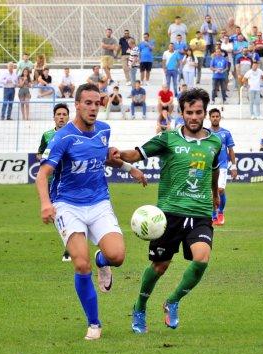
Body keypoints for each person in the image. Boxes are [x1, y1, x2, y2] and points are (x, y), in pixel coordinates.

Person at [35, 83, 146, 340]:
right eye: (88, 103)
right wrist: (45, 203)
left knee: (117, 256)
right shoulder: (63, 137)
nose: (93, 108)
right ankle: (94, 324)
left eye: (97, 103)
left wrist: (131, 169)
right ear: (77, 104)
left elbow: (105, 157)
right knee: (81, 263)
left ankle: (102, 261)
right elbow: (43, 174)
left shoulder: (104, 131)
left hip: (98, 202)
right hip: (67, 205)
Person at [118, 88, 221, 335]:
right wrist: (117, 155)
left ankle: (172, 301)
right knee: (160, 266)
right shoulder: (167, 139)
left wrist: (215, 194)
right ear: (182, 113)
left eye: (198, 112)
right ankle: (140, 306)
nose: (194, 117)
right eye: (189, 112)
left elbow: (214, 169)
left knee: (201, 258)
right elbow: (136, 154)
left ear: (205, 113)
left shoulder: (215, 142)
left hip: (200, 213)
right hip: (169, 214)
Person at [36, 103, 72, 262]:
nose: (61, 117)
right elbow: (39, 154)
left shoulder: (73, 134)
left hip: (70, 180)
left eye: (64, 114)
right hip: (53, 181)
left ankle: (69, 248)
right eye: (59, 114)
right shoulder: (47, 135)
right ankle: (70, 242)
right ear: (54, 117)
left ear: (68, 117)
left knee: (67, 212)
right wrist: (48, 160)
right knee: (56, 214)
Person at [209, 108, 237, 225]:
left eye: (217, 116)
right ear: (209, 118)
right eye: (213, 116)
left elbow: (230, 150)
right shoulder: (205, 133)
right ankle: (213, 214)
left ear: (220, 117)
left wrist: (234, 166)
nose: (215, 118)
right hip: (208, 166)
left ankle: (220, 212)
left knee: (220, 190)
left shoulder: (226, 133)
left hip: (222, 165)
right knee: (210, 192)